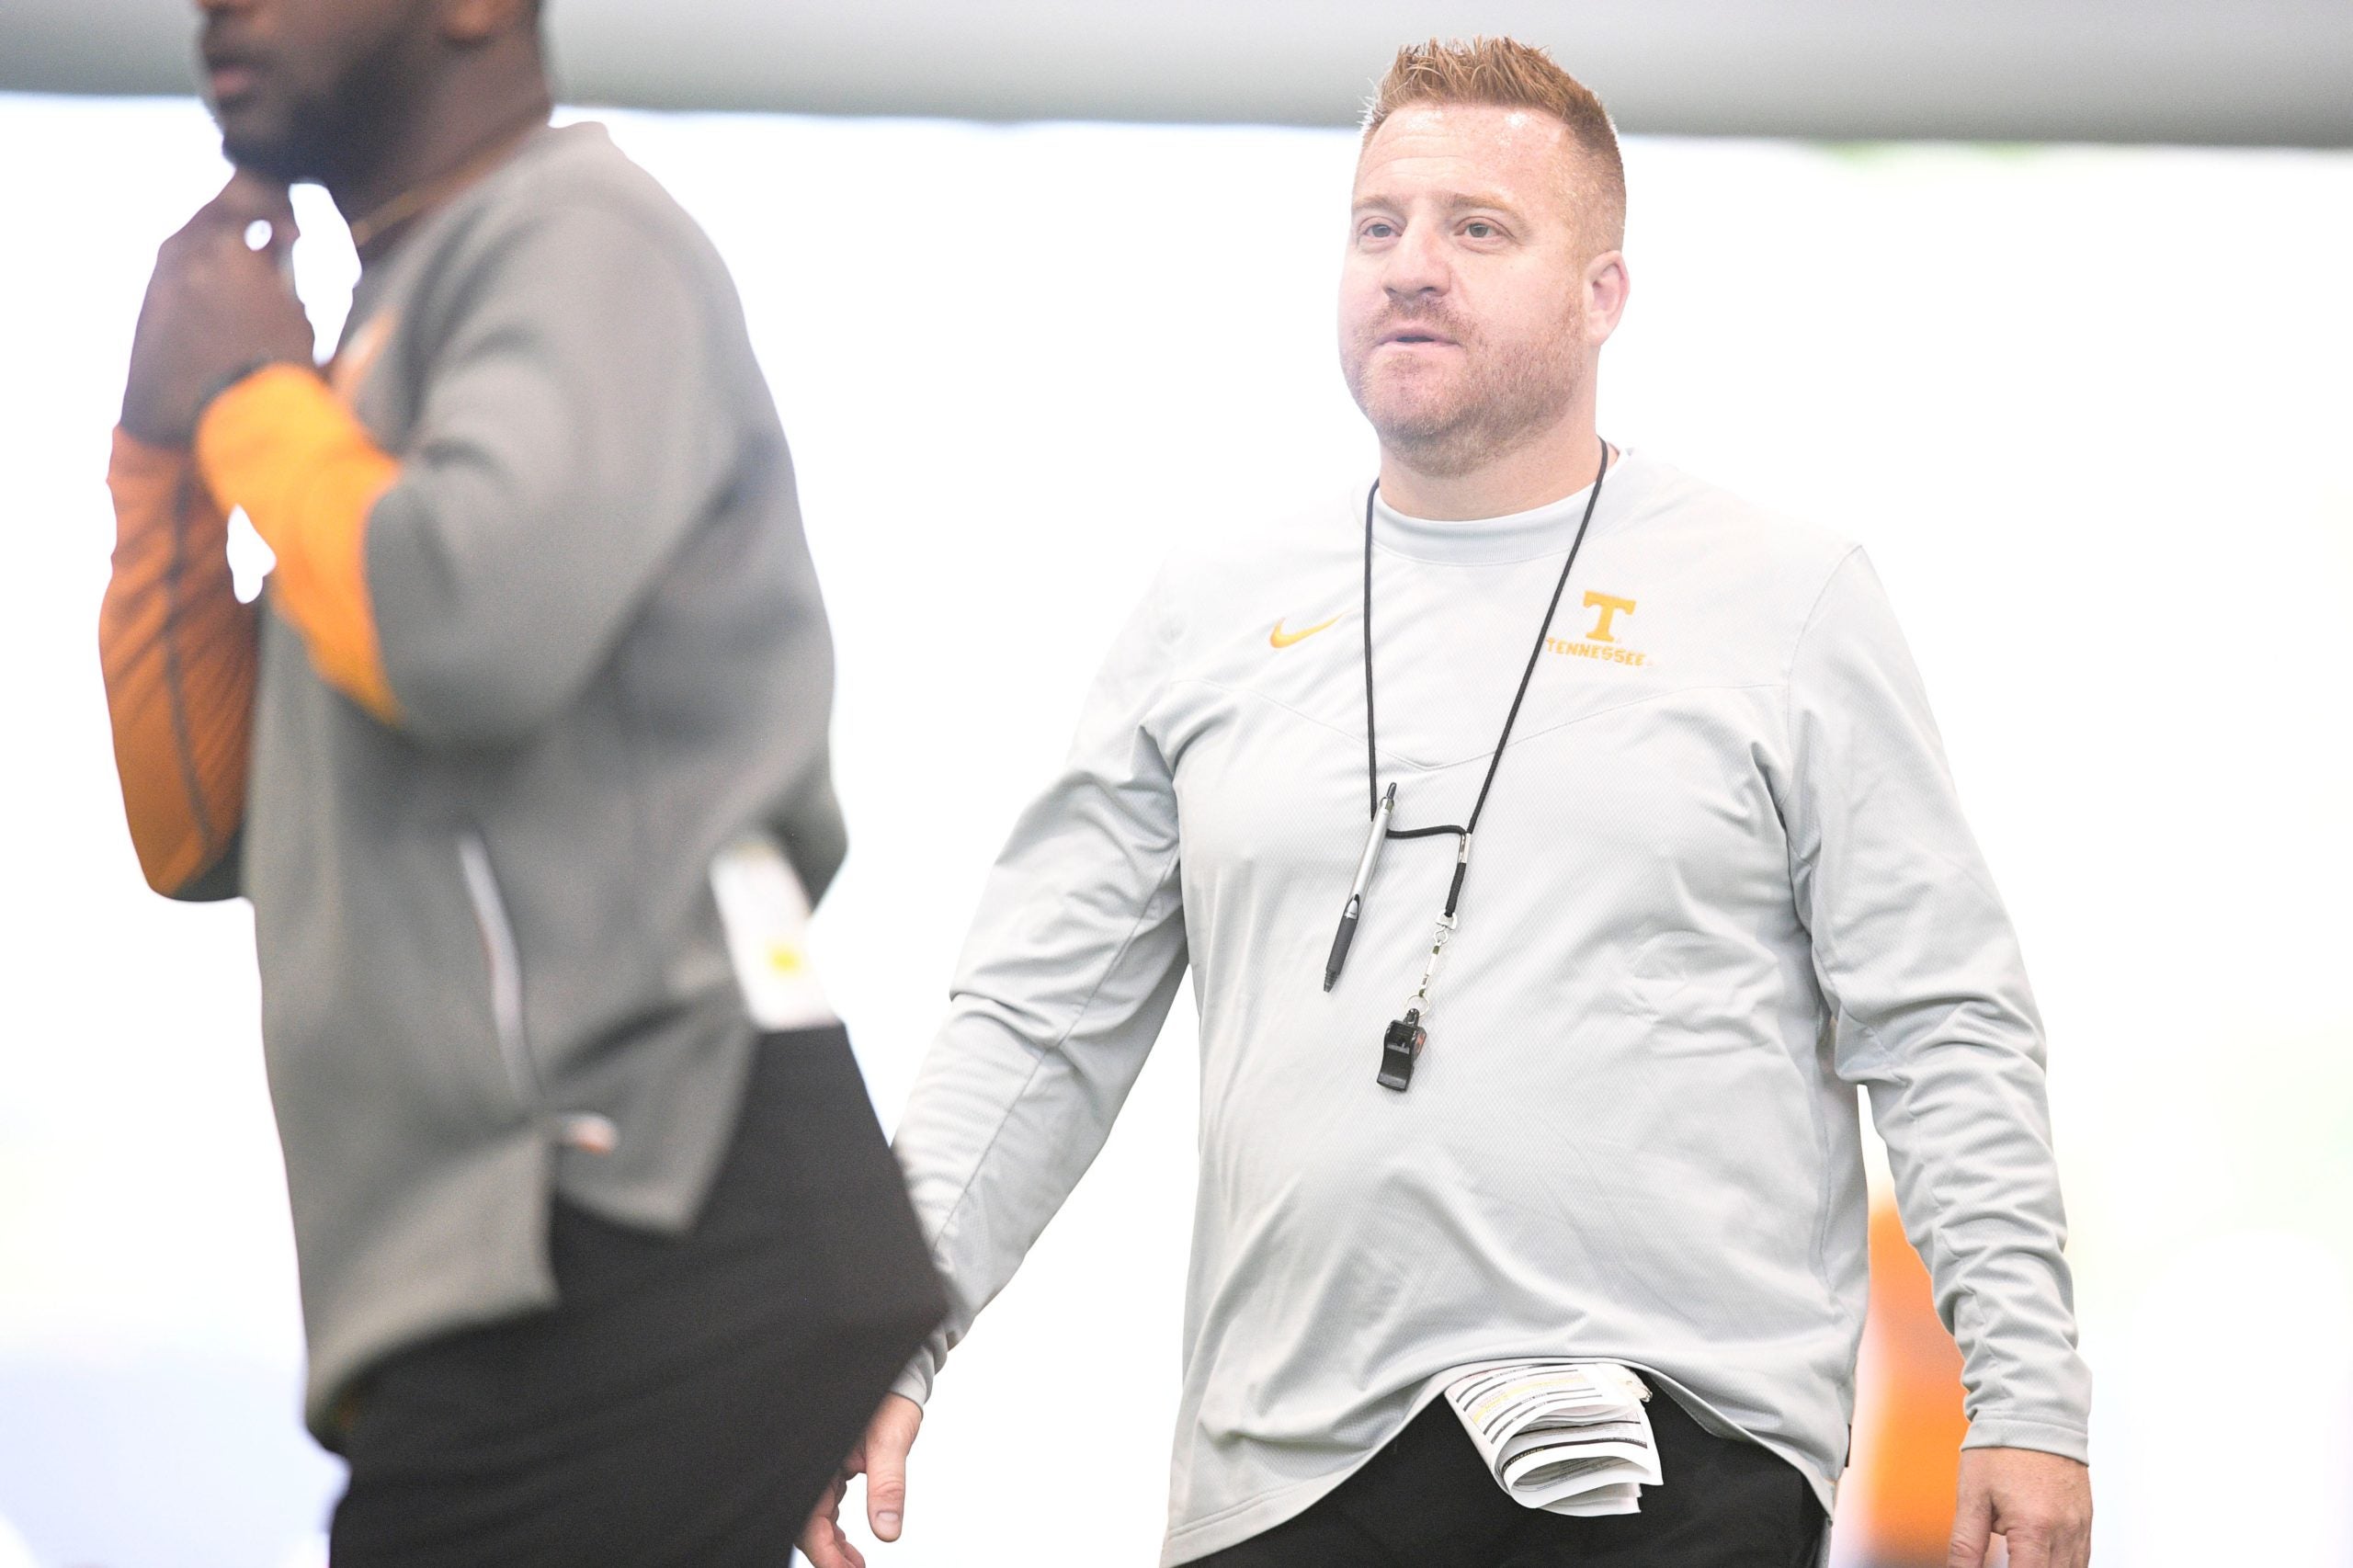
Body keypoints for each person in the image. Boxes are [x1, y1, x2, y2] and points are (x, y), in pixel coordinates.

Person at [800, 35, 2092, 1568]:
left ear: (1603, 295)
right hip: (1281, 1479)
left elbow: (1942, 1020)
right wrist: (881, 1342)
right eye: (1378, 225)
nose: (1413, 265)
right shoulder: (1207, 613)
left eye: (1478, 228)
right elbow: (1033, 1023)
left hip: (1676, 1459)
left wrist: (2028, 1391)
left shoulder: (1784, 599)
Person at [97, 0, 942, 1561]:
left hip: (639, 1216)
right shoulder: (372, 352)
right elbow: (199, 821)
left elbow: (458, 627)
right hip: (507, 1276)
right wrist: (161, 467)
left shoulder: (586, 237)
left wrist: (243, 403)